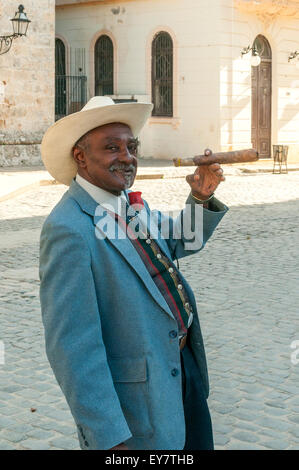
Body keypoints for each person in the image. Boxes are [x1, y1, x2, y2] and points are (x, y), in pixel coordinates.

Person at [39, 97, 228, 450]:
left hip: (179, 372)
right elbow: (74, 349)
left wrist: (200, 197)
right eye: (112, 148)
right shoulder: (68, 228)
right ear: (80, 156)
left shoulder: (125, 202)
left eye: (131, 146)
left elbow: (177, 241)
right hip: (137, 406)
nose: (127, 157)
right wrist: (108, 436)